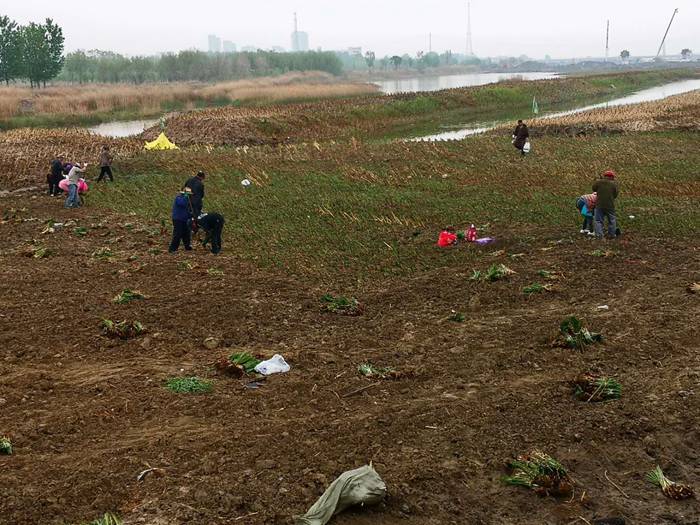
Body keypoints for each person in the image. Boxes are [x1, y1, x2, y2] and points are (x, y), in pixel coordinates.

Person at [592, 170, 619, 239]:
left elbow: (594, 189)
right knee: (612, 220)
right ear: (611, 177)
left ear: (605, 176)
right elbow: (615, 194)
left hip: (599, 205)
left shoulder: (599, 182)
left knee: (598, 220)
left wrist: (598, 182)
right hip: (610, 205)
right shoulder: (614, 184)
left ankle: (599, 235)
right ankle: (612, 234)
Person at [169, 188, 193, 252]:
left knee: (186, 233)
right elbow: (181, 204)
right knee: (178, 234)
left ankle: (187, 246)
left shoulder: (188, 200)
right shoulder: (179, 198)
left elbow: (188, 210)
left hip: (185, 219)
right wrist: (186, 196)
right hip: (178, 219)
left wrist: (191, 215)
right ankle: (173, 248)